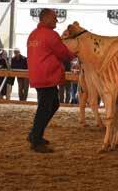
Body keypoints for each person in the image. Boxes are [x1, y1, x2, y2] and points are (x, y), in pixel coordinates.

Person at [27, 8, 74, 153]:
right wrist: (75, 54)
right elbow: (63, 53)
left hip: (38, 74)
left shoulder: (33, 35)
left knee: (53, 104)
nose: (56, 21)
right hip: (47, 76)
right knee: (45, 108)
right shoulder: (51, 35)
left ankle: (34, 134)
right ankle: (36, 140)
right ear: (46, 18)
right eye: (54, 18)